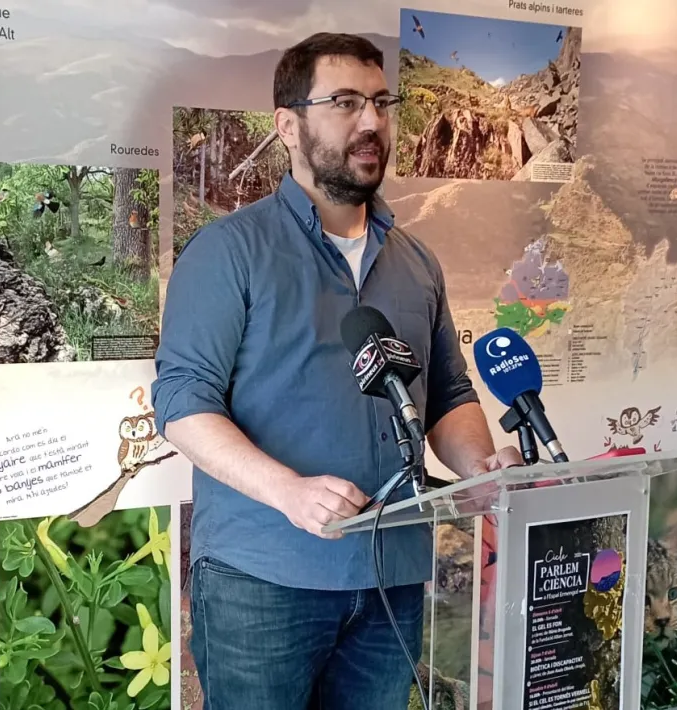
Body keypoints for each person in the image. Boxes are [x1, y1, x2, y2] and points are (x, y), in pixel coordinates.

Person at [152, 32, 522, 709]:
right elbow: (181, 402)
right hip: (262, 585)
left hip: (395, 581)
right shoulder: (228, 253)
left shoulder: (416, 263)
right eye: (346, 102)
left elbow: (447, 393)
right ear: (288, 126)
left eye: (382, 102)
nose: (373, 122)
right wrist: (288, 491)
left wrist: (478, 468)